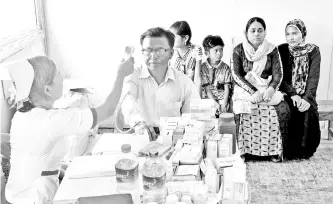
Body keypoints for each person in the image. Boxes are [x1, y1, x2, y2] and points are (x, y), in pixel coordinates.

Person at [4, 55, 134, 204]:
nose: (62, 78)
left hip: (23, 195)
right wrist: (121, 74)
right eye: (58, 74)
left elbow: (34, 157)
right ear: (47, 89)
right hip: (34, 199)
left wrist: (62, 172)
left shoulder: (23, 115)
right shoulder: (51, 121)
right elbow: (108, 110)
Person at [119, 27, 200, 140]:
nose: (153, 55)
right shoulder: (134, 76)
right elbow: (127, 100)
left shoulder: (184, 82)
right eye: (148, 50)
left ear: (171, 53)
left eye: (159, 50)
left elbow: (192, 116)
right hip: (143, 138)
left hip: (174, 144)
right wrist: (138, 123)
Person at [231, 17, 290, 162]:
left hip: (266, 87)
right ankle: (243, 151)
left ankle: (273, 152)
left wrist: (271, 89)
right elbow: (236, 75)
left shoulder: (272, 50)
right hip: (246, 88)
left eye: (260, 30)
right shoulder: (238, 50)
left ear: (264, 32)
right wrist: (253, 92)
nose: (256, 34)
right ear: (246, 33)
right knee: (241, 107)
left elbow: (278, 74)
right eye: (253, 31)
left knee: (280, 106)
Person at [278, 19, 321, 160]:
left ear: (303, 33)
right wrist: (293, 94)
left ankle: (304, 152)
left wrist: (307, 98)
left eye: (295, 33)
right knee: (288, 110)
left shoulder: (313, 51)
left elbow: (313, 77)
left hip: (306, 94)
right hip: (287, 92)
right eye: (288, 34)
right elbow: (280, 77)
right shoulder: (282, 50)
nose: (291, 37)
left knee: (308, 112)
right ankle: (288, 152)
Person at [200, 35, 232, 114]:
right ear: (207, 53)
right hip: (208, 99)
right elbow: (207, 89)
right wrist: (214, 102)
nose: (219, 53)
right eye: (216, 50)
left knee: (224, 115)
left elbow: (227, 87)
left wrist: (224, 103)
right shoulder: (203, 67)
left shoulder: (226, 68)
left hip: (222, 98)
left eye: (221, 50)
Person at [169, 21, 203, 90]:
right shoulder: (170, 51)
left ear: (185, 38)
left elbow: (197, 78)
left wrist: (197, 100)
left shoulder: (196, 50)